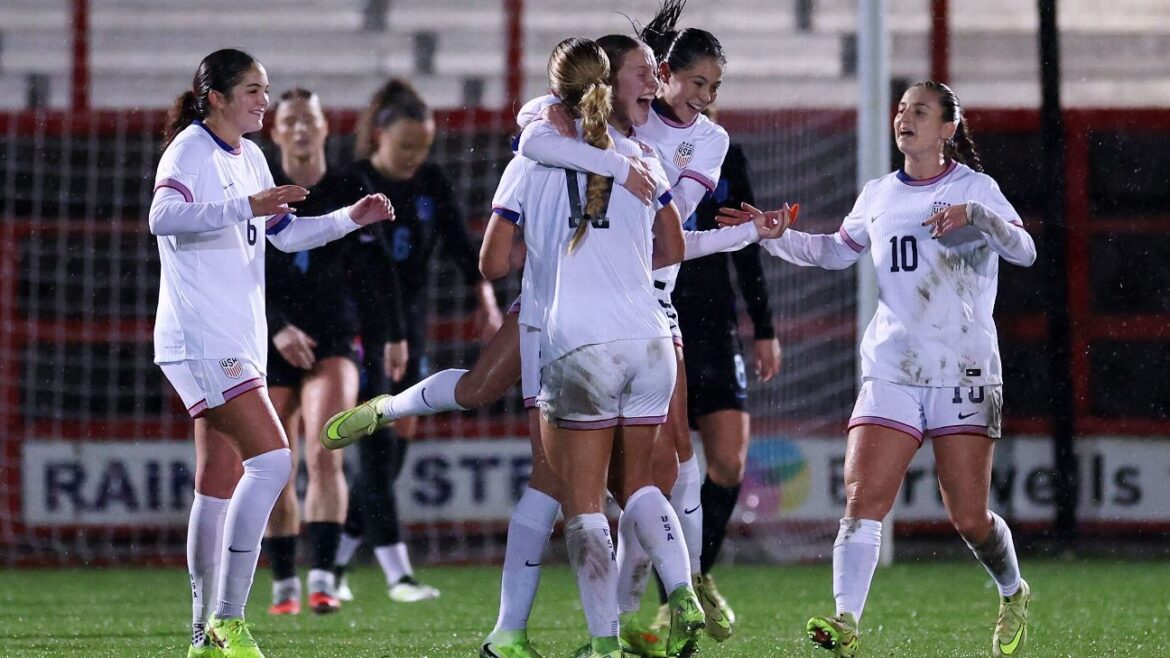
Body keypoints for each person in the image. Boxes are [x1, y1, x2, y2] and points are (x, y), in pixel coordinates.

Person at [723, 81, 1036, 658]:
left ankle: (1013, 590)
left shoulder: (975, 188)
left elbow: (1025, 251)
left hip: (964, 371)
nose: (904, 117)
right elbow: (833, 251)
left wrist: (977, 216)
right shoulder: (878, 194)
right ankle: (845, 622)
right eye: (901, 109)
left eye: (920, 111)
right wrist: (773, 238)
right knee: (862, 498)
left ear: (947, 129)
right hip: (892, 368)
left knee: (969, 518)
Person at [512, 3, 744, 648]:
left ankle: (604, 634)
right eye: (646, 74)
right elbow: (672, 246)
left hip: (576, 333)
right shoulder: (639, 155)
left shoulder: (550, 147)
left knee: (577, 495)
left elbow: (494, 258)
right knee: (651, 479)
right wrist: (747, 234)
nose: (703, 96)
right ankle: (682, 587)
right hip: (651, 331)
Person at [150, 49, 393, 658]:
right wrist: (246, 207)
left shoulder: (252, 156)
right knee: (275, 462)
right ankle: (228, 620)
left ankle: (201, 636)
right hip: (203, 337)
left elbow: (285, 237)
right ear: (217, 98)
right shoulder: (189, 150)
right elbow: (162, 217)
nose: (264, 101)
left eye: (266, 89)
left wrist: (349, 218)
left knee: (217, 483)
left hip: (233, 338)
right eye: (253, 90)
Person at [328, 77, 502, 603]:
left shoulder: (430, 182)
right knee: (377, 448)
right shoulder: (352, 182)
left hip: (412, 329)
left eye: (422, 146)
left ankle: (333, 565)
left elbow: (460, 245)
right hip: (363, 330)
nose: (413, 156)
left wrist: (484, 295)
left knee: (391, 457)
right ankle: (398, 575)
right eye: (405, 145)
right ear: (379, 136)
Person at [261, 88, 407, 616]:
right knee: (275, 464)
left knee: (326, 450)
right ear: (275, 132)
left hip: (335, 337)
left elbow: (379, 269)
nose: (301, 128)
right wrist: (278, 327)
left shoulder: (350, 187)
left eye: (310, 119)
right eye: (290, 120)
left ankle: (322, 578)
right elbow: (239, 272)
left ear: (326, 127)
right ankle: (284, 584)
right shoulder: (260, 191)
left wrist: (393, 334)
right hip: (270, 340)